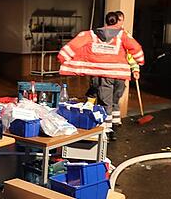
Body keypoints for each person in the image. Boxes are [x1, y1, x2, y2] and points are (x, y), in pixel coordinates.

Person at [58, 10, 145, 140]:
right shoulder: (123, 35)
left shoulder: (92, 34)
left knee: (106, 101)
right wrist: (139, 62)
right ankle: (114, 123)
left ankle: (107, 129)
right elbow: (135, 49)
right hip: (120, 73)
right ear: (116, 21)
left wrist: (63, 57)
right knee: (114, 99)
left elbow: (74, 44)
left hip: (104, 74)